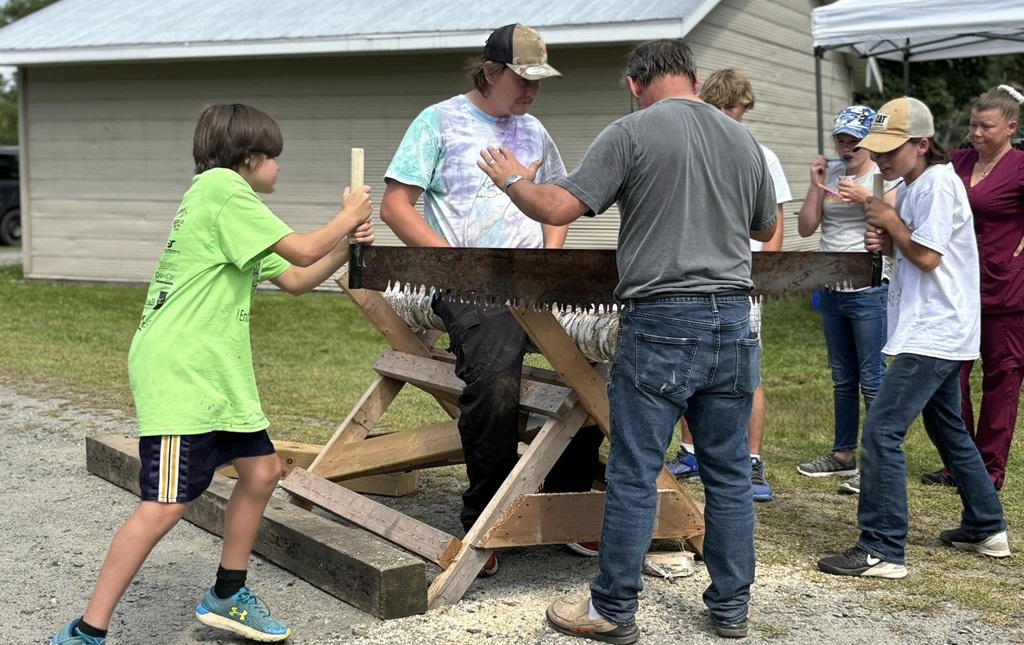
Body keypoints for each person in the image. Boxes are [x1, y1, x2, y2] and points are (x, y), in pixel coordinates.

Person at [479, 38, 777, 642]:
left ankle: (612, 611)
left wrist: (513, 180)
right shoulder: (743, 140)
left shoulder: (632, 132)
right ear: (691, 79)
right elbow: (765, 225)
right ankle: (731, 608)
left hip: (664, 318)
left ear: (636, 84)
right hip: (733, 321)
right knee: (728, 472)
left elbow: (558, 207)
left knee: (636, 471)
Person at [51, 104, 375, 645]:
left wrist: (348, 243)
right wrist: (346, 216)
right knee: (165, 505)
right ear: (248, 158)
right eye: (273, 158)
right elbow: (301, 246)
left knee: (262, 471)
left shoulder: (228, 208)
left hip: (216, 377)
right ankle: (86, 632)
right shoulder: (222, 190)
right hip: (183, 373)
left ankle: (227, 594)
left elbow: (296, 277)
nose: (278, 168)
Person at [379, 23, 604, 571]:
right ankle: (488, 516)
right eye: (522, 80)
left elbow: (555, 199)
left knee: (598, 358)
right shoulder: (439, 122)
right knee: (495, 378)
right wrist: (453, 266)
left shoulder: (534, 130)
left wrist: (552, 257)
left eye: (538, 82)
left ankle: (567, 503)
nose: (531, 93)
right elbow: (395, 206)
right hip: (467, 286)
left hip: (534, 282)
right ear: (489, 72)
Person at [818, 97, 1010, 581]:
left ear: (923, 144)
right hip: (932, 327)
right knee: (948, 428)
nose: (881, 158)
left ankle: (882, 547)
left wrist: (888, 221)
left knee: (881, 430)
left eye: (892, 149)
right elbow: (914, 248)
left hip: (937, 330)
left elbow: (927, 257)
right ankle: (986, 526)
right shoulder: (916, 184)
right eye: (877, 149)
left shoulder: (939, 185)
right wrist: (889, 236)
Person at [666, 68, 791, 503]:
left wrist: (762, 276)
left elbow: (772, 226)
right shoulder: (692, 150)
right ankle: (691, 451)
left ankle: (751, 460)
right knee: (690, 369)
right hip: (699, 279)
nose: (734, 119)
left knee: (745, 371)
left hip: (742, 279)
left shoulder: (760, 154)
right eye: (734, 110)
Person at [921, 84, 1024, 491]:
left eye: (986, 126)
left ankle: (989, 470)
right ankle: (958, 463)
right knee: (951, 376)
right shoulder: (957, 162)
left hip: (1007, 290)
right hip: (957, 287)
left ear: (1011, 128)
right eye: (972, 125)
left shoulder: (1019, 166)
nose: (976, 133)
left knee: (1002, 380)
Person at [795, 106, 899, 495]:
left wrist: (862, 199)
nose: (846, 146)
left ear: (869, 141)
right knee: (843, 378)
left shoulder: (881, 177)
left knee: (873, 379)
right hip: (832, 287)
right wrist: (814, 184)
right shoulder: (832, 175)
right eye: (841, 139)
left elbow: (893, 222)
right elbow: (806, 228)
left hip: (869, 289)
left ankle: (876, 461)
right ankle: (842, 455)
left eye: (854, 139)